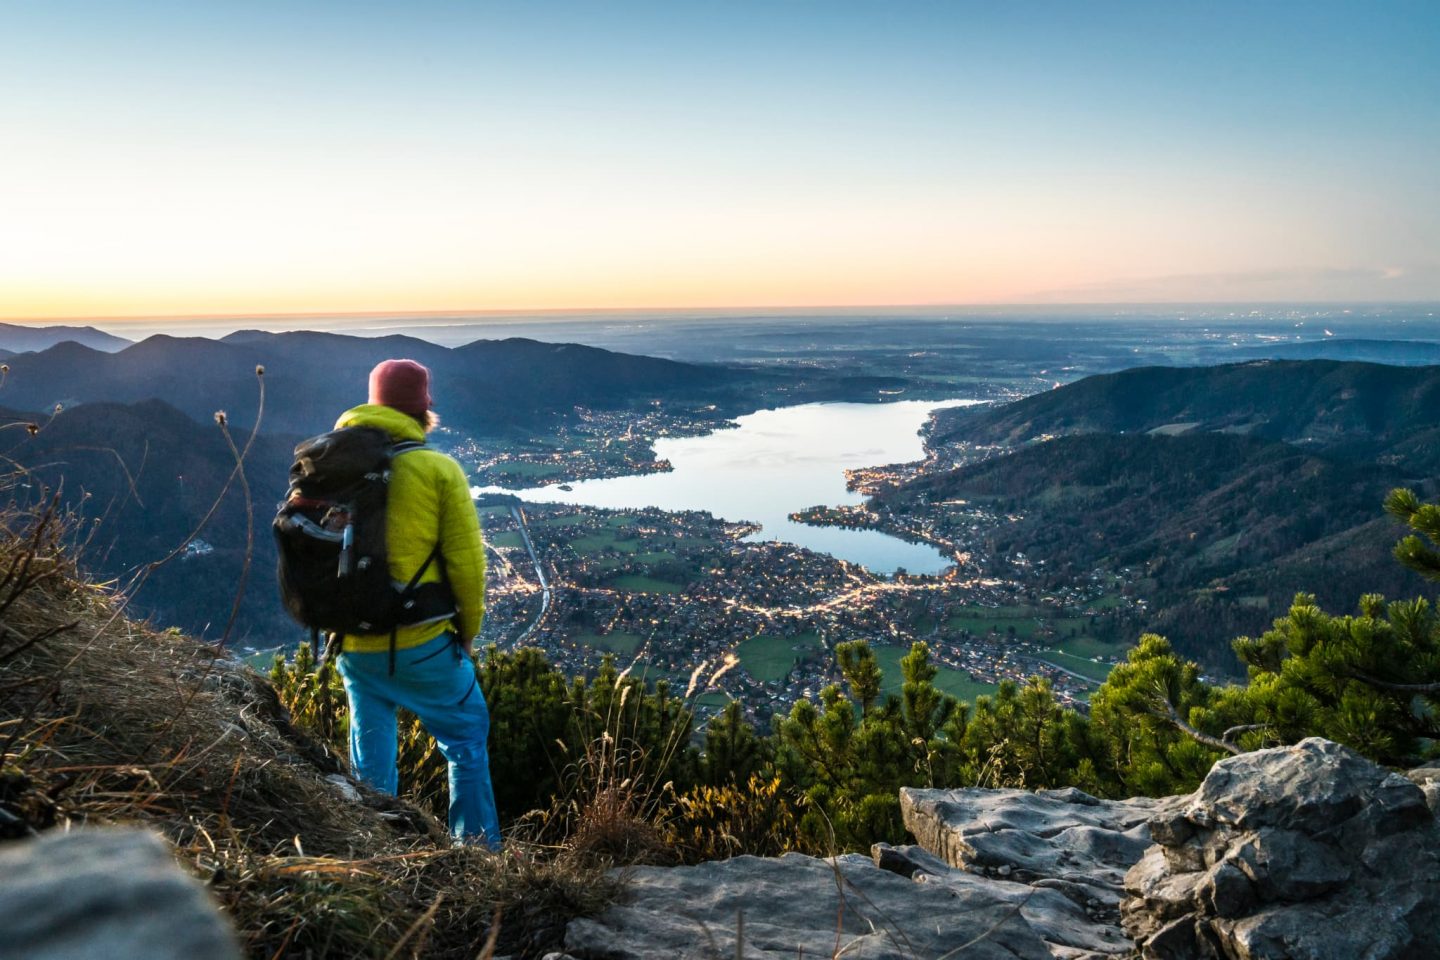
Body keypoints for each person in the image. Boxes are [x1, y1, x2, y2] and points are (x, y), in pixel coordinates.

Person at [333, 358, 501, 848]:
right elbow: (467, 569)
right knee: (466, 738)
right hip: (423, 644)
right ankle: (478, 856)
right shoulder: (437, 470)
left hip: (355, 643)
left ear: (371, 401)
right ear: (424, 405)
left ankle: (373, 848)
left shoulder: (335, 466)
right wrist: (467, 634)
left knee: (371, 750)